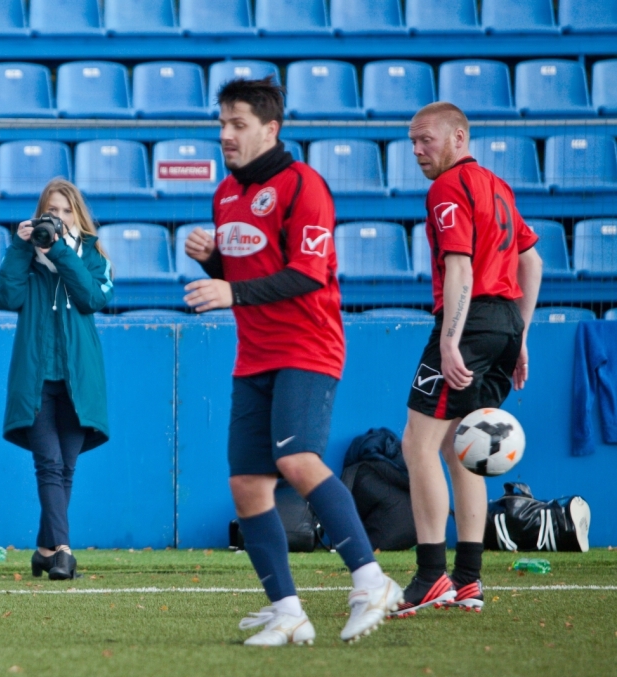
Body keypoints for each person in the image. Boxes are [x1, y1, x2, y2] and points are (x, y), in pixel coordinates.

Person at [183, 77, 402, 647]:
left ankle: (372, 581)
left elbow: (305, 274)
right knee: (247, 484)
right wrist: (215, 266)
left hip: (308, 346)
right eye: (222, 123)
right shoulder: (225, 193)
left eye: (238, 124)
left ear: (271, 129)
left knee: (299, 460)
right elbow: (253, 273)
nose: (225, 134)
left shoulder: (304, 185)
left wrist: (229, 291)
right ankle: (287, 612)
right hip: (254, 355)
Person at [391, 102, 543, 616]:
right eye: (412, 142)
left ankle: (431, 575)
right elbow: (531, 261)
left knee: (418, 444)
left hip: (469, 322)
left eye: (425, 140)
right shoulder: (497, 186)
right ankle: (468, 579)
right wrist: (520, 335)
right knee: (465, 445)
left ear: (458, 137)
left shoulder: (448, 186)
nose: (417, 150)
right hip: (503, 324)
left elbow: (459, 268)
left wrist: (451, 340)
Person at [0, 179, 113, 581]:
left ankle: (44, 550)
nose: (58, 218)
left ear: (76, 215)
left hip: (80, 378)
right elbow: (5, 296)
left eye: (64, 211)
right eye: (50, 211)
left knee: (66, 468)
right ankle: (63, 552)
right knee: (49, 464)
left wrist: (58, 250)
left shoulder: (92, 254)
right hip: (36, 377)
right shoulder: (24, 256)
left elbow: (93, 298)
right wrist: (20, 246)